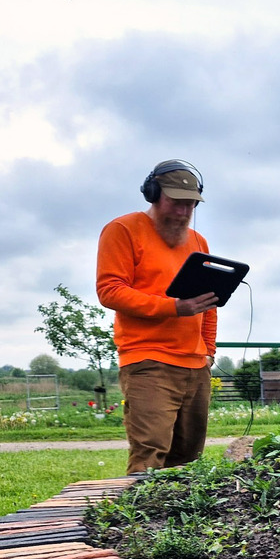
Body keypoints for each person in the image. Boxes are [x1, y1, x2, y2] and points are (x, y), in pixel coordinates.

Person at [97, 160, 221, 475]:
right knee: (149, 459)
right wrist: (172, 307)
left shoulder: (198, 241)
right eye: (176, 202)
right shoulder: (123, 230)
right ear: (153, 194)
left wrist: (208, 350)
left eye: (191, 204)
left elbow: (207, 303)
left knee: (189, 462)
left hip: (196, 366)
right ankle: (137, 510)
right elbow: (110, 291)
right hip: (148, 361)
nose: (183, 211)